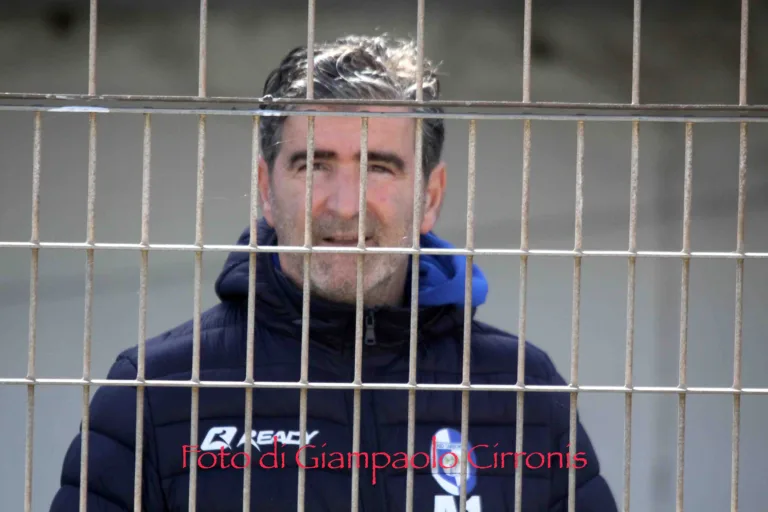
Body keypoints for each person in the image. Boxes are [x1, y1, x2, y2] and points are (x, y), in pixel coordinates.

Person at [50, 34, 617, 512]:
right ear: (267, 190)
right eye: (314, 165)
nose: (345, 206)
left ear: (430, 196)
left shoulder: (520, 391)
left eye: (379, 167)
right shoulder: (159, 391)